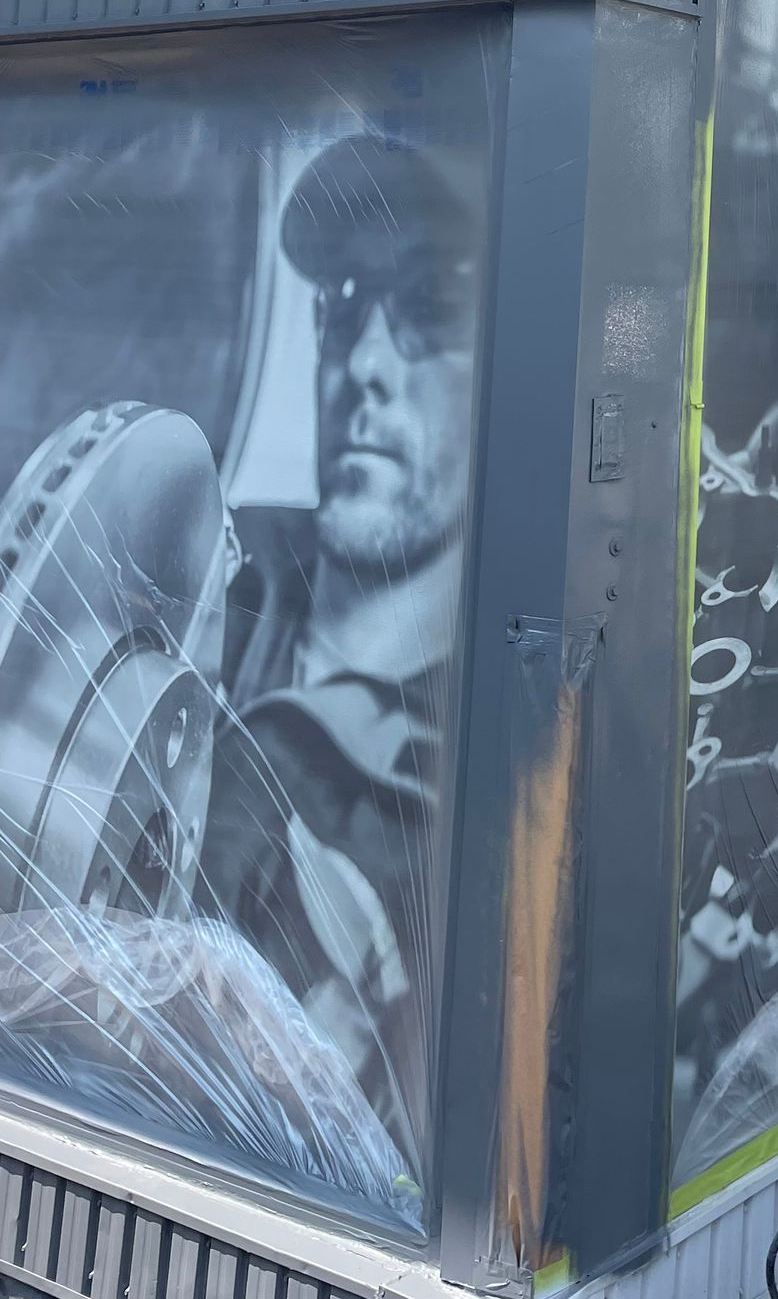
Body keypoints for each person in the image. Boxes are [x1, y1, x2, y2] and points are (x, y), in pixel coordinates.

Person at [199, 133, 481, 1170]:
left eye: (430, 311)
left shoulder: (494, 748)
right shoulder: (192, 567)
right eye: (345, 303)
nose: (365, 362)